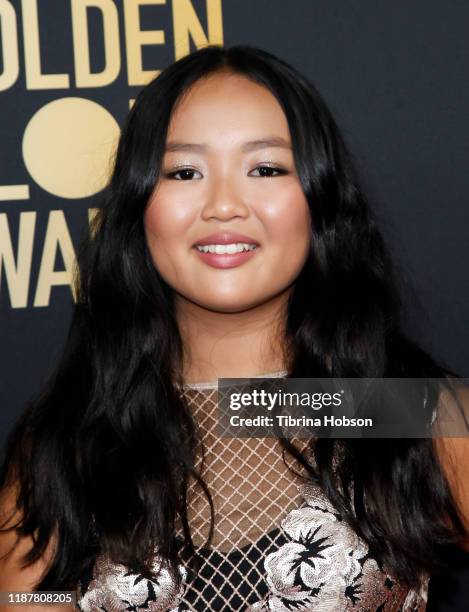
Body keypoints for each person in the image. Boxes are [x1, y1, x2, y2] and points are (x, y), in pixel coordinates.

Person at [0, 44, 468, 612]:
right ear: (139, 205)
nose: (223, 205)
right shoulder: (69, 447)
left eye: (265, 168)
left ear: (318, 200)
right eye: (185, 171)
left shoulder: (411, 413)